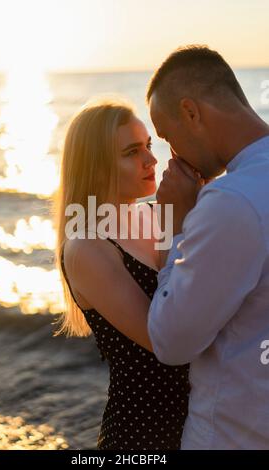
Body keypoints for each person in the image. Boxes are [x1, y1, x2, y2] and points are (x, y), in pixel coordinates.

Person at [147, 45, 269, 449]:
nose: (170, 153)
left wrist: (175, 225)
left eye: (166, 136)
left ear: (191, 112)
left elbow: (170, 341)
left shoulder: (231, 200)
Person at [54, 97, 190, 450]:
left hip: (202, 422)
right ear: (96, 166)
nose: (152, 159)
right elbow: (165, 341)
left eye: (147, 145)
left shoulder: (155, 214)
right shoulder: (87, 246)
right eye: (132, 152)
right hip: (141, 434)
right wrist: (175, 224)